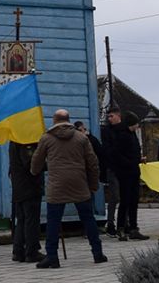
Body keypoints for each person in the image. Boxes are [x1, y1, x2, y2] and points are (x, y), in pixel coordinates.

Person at [30, 109, 106, 268]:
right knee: (88, 218)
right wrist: (93, 185)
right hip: (79, 183)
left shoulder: (46, 138)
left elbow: (36, 161)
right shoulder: (81, 138)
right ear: (68, 120)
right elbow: (92, 163)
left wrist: (34, 170)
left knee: (53, 221)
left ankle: (52, 256)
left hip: (57, 184)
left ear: (55, 120)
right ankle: (97, 253)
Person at [100, 109, 145, 241]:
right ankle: (121, 228)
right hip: (124, 172)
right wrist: (130, 162)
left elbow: (135, 150)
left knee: (134, 201)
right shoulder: (122, 135)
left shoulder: (132, 135)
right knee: (125, 200)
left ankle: (133, 228)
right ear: (132, 124)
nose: (138, 126)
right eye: (137, 123)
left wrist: (138, 159)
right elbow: (116, 154)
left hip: (134, 171)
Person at [8, 139, 44, 263]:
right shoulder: (25, 141)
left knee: (22, 219)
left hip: (19, 186)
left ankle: (18, 251)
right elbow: (30, 164)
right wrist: (46, 162)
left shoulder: (14, 140)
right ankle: (31, 251)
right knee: (31, 220)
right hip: (29, 186)